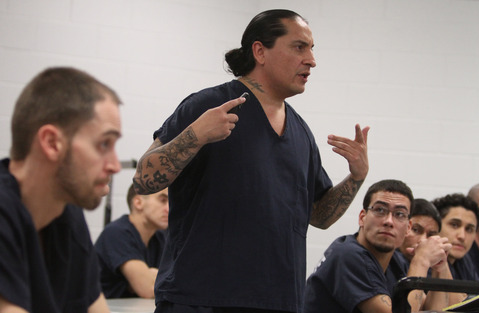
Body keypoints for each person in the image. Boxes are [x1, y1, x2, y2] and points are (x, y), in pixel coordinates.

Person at [133, 9, 369, 313]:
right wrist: (195, 135)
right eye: (299, 47)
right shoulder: (209, 106)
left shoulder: (301, 134)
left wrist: (356, 177)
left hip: (278, 301)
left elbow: (319, 216)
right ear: (260, 51)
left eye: (312, 49)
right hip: (200, 299)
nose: (311, 59)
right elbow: (143, 178)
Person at [0, 67, 122, 312]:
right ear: (52, 143)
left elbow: (95, 307)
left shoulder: (66, 212)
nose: (115, 166)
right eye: (103, 144)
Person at [303, 180, 452, 313]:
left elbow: (432, 309)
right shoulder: (347, 255)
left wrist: (440, 266)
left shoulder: (396, 261)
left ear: (408, 227)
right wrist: (421, 261)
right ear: (362, 217)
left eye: (399, 214)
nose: (389, 221)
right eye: (380, 210)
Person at [95, 184, 169, 299]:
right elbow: (148, 289)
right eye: (162, 200)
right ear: (138, 203)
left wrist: (153, 275)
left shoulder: (159, 237)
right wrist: (152, 277)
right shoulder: (117, 233)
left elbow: (176, 278)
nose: (168, 209)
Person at [432, 193, 479, 281]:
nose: (462, 236)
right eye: (454, 225)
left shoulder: (465, 261)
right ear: (435, 226)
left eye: (469, 229)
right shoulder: (428, 260)